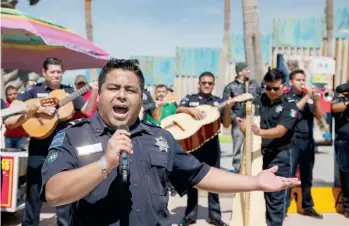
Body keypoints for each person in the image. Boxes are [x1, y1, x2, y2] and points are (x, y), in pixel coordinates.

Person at [40, 59, 299, 226]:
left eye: (130, 90)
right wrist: (104, 163)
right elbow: (53, 193)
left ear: (142, 97)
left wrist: (254, 182)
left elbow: (200, 174)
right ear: (100, 93)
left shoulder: (160, 138)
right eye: (113, 88)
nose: (121, 95)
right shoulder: (73, 135)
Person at [4, 57, 98, 226]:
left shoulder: (69, 92)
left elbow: (87, 110)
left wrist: (95, 91)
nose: (56, 75)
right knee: (33, 194)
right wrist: (36, 109)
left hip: (62, 150)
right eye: (53, 72)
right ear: (44, 72)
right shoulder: (33, 90)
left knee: (63, 195)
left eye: (59, 72)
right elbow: (15, 108)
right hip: (38, 148)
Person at [175, 71, 243, 226]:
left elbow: (226, 124)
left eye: (210, 83)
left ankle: (215, 216)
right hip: (192, 146)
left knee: (215, 181)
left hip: (212, 146)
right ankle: (190, 216)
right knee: (192, 181)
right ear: (199, 84)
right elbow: (178, 109)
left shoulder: (218, 101)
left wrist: (227, 108)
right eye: (204, 82)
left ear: (213, 85)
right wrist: (190, 110)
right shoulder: (190, 99)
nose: (206, 85)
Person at [238, 68, 299, 226]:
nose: (271, 92)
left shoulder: (290, 105)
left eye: (275, 88)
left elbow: (280, 131)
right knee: (255, 195)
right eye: (268, 87)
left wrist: (259, 132)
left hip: (280, 155)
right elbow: (243, 119)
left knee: (276, 198)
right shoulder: (257, 100)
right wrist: (244, 126)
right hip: (258, 154)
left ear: (284, 86)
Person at [285, 69, 324, 218]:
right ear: (291, 82)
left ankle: (307, 206)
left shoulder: (309, 98)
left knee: (307, 175)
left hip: (308, 140)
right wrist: (307, 96)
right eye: (298, 80)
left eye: (303, 79)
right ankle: (283, 206)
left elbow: (320, 117)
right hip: (292, 140)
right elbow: (292, 114)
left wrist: (316, 100)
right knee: (289, 174)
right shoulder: (287, 97)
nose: (302, 82)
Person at [223, 62, 261, 173]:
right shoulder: (230, 87)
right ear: (239, 72)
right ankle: (238, 169)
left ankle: (253, 169)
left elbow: (260, 101)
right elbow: (227, 105)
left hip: (254, 119)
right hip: (238, 122)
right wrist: (235, 118)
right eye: (246, 69)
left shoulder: (254, 85)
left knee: (254, 144)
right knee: (238, 146)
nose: (248, 71)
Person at [332, 90, 349, 218]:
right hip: (344, 141)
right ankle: (348, 207)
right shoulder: (340, 96)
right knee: (346, 176)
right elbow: (334, 107)